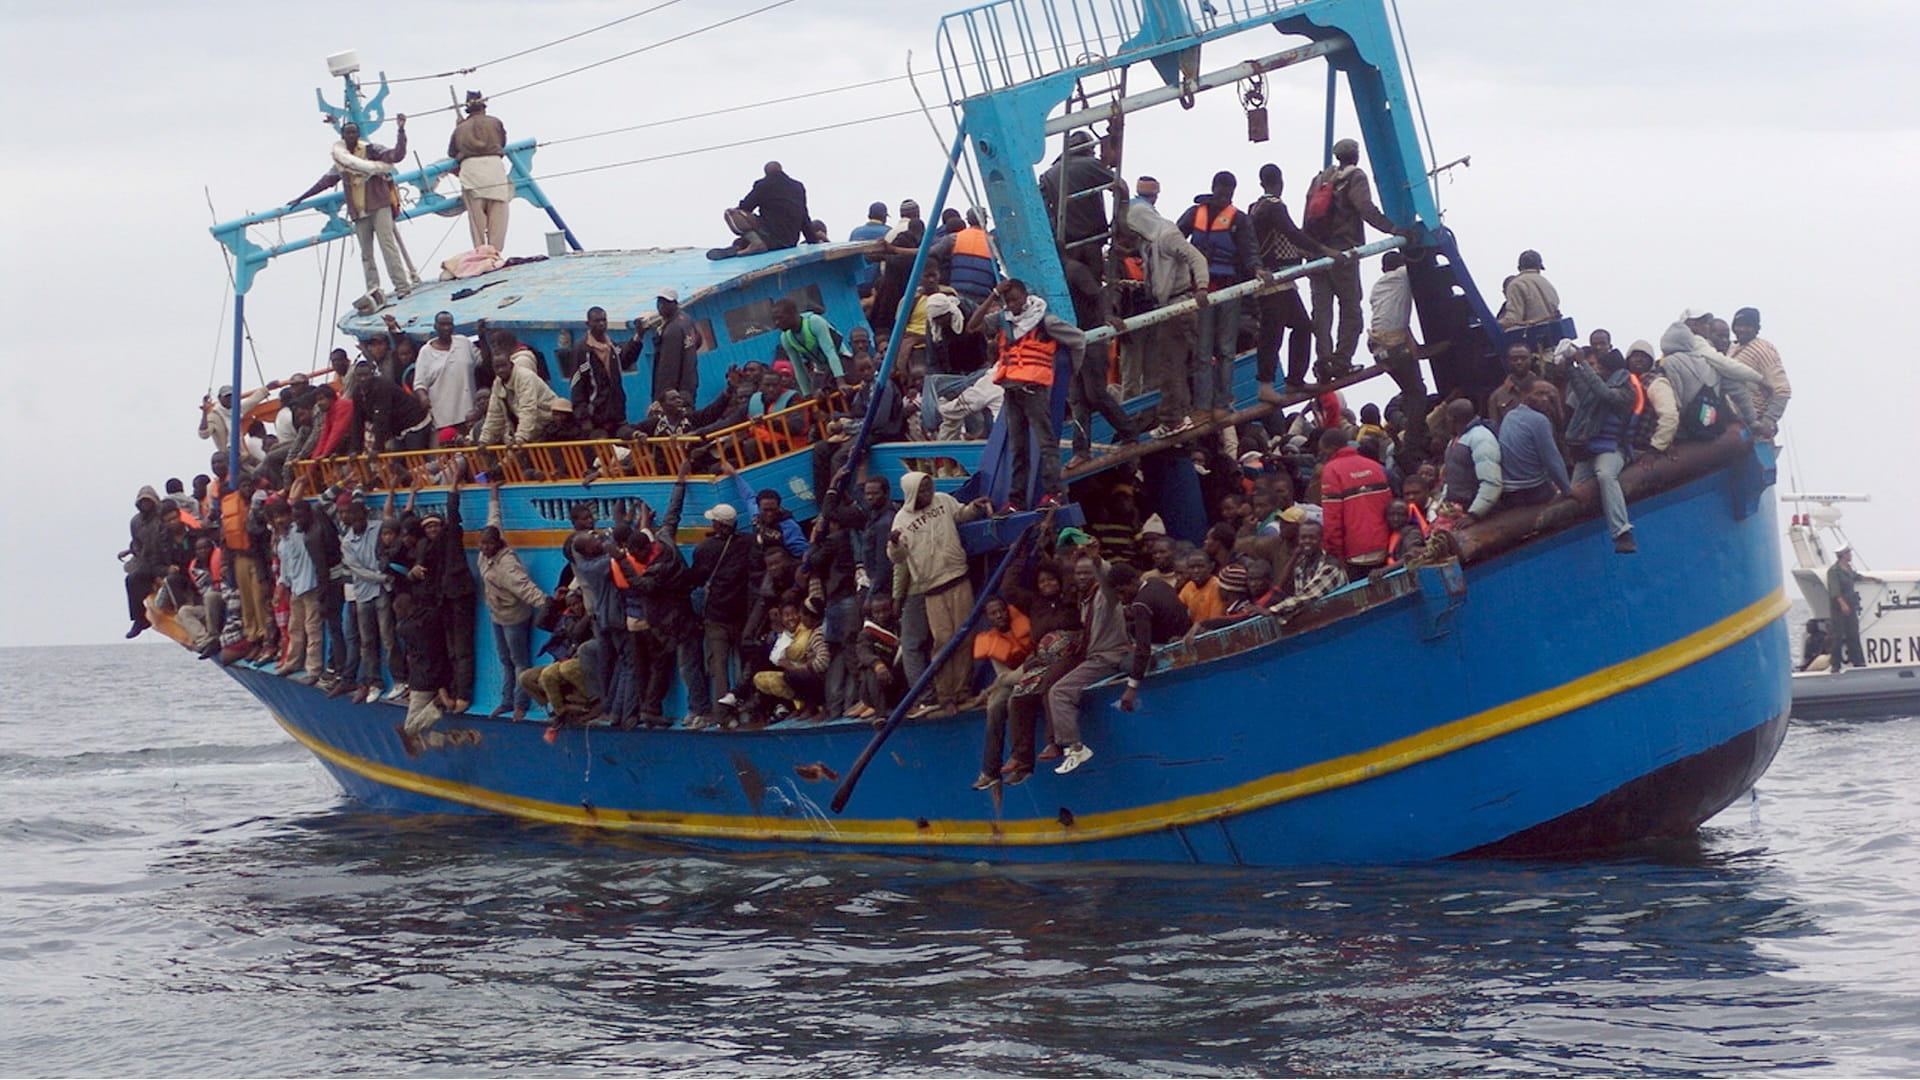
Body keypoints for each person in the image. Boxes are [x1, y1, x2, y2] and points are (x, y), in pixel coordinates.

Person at [969, 278, 1081, 507]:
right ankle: (1015, 500)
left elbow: (1078, 339)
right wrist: (992, 294)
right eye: (1007, 301)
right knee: (1018, 448)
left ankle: (1053, 493)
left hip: (1034, 391)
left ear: (1026, 295)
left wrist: (1072, 372)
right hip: (1011, 390)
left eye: (1016, 299)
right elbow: (973, 325)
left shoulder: (1044, 320)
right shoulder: (1003, 320)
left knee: (1046, 444)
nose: (1012, 305)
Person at [889, 471, 992, 717]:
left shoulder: (944, 500)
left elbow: (961, 514)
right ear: (912, 492)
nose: (928, 493)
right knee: (943, 641)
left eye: (929, 487)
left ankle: (963, 690)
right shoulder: (901, 520)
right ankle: (945, 695)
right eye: (922, 490)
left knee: (965, 636)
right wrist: (894, 543)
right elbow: (897, 557)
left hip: (958, 576)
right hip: (932, 588)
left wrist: (974, 509)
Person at [1302, 137, 1405, 375]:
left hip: (1317, 252)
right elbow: (1365, 208)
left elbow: (1307, 214)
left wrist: (1307, 248)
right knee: (1351, 309)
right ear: (1355, 156)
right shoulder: (1355, 177)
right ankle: (1341, 361)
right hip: (1343, 252)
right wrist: (1393, 229)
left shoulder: (1320, 178)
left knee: (1322, 312)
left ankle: (1323, 362)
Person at [288, 115, 418, 299]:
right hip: (359, 211)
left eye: (354, 132)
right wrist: (301, 197)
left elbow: (396, 155)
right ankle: (374, 290)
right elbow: (325, 181)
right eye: (348, 132)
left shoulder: (372, 150)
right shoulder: (342, 160)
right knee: (366, 253)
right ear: (342, 135)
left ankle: (402, 286)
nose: (351, 135)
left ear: (358, 134)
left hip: (379, 204)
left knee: (388, 246)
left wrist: (401, 131)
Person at [1250, 163, 1342, 402]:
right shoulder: (1273, 206)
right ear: (1280, 181)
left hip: (1282, 279)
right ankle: (1267, 385)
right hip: (1275, 278)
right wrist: (1324, 249)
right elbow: (1291, 233)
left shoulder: (1255, 207)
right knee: (1273, 332)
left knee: (1301, 326)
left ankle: (1294, 381)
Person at [1125, 191, 1211, 439]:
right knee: (1171, 365)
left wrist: (1202, 287)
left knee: (1170, 366)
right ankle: (1179, 414)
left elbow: (1196, 257)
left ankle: (1174, 419)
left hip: (1178, 305)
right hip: (1164, 308)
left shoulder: (1168, 235)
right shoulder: (1148, 242)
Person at [1045, 545, 1133, 776]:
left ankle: (1075, 747)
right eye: (1078, 573)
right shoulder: (1083, 600)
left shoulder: (1105, 597)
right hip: (1094, 657)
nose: (1082, 577)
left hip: (1107, 658)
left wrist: (1097, 561)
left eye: (1087, 573)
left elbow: (1107, 581)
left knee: (1059, 692)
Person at [1177, 170, 1257, 418]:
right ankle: (1202, 406)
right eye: (1222, 190)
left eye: (1229, 192)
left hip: (1229, 290)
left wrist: (1258, 270)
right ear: (1214, 188)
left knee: (1225, 348)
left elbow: (1249, 251)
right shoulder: (1195, 213)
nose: (1225, 196)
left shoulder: (1239, 220)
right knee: (1203, 350)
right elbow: (1174, 239)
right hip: (1201, 290)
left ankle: (1221, 404)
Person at [479, 481, 550, 720]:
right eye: (483, 543)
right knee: (504, 659)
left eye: (489, 544)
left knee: (519, 661)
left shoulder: (507, 566)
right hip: (497, 614)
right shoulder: (486, 553)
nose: (485, 547)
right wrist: (494, 494)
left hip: (514, 618)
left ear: (497, 544)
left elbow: (526, 589)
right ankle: (505, 700)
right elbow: (494, 519)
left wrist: (549, 606)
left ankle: (520, 704)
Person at [1564, 345, 1640, 553]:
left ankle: (1622, 532)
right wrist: (1570, 365)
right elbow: (1582, 387)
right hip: (1589, 450)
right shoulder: (1596, 389)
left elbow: (1605, 394)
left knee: (1606, 475)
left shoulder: (1626, 392)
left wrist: (1584, 364)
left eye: (1601, 367)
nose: (1597, 371)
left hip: (1613, 449)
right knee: (1573, 489)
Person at [971, 595, 1035, 789]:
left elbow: (1039, 655)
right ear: (987, 617)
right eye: (993, 613)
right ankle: (991, 771)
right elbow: (1003, 677)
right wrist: (1024, 669)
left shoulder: (1027, 624)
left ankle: (1022, 764)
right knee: (995, 706)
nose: (999, 615)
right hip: (1017, 676)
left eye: (1001, 610)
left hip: (1039, 673)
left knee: (1014, 702)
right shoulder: (990, 641)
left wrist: (1022, 672)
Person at [1316, 429, 1393, 577]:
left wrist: (1336, 554)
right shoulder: (1374, 466)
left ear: (1331, 449)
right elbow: (1388, 505)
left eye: (1324, 452)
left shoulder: (1331, 471)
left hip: (1355, 553)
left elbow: (1332, 520)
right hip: (1386, 547)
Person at [1495, 379, 1573, 510]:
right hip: (1532, 490)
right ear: (1524, 395)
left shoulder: (1510, 415)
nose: (1545, 399)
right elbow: (1552, 461)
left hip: (1508, 490)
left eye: (1548, 395)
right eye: (1539, 394)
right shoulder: (1539, 421)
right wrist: (1568, 490)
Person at [447, 91, 510, 252]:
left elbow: (452, 152)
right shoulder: (495, 122)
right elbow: (502, 142)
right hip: (494, 170)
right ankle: (495, 253)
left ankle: (481, 253)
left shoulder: (460, 129)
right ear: (483, 108)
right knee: (498, 219)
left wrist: (460, 128)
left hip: (471, 173)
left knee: (477, 223)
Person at [713, 161, 813, 258]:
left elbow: (746, 206)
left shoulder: (764, 184)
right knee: (743, 241)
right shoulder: (798, 186)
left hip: (772, 236)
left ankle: (756, 244)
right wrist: (812, 240)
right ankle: (741, 245)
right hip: (791, 241)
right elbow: (804, 215)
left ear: (766, 173)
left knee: (732, 214)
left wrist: (737, 209)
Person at [476, 334, 559, 446]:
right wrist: (484, 440)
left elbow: (528, 408)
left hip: (550, 425)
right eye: (497, 367)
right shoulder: (498, 382)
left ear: (511, 364)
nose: (501, 370)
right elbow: (494, 414)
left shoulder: (525, 376)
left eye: (503, 366)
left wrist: (521, 437)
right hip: (531, 430)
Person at [413, 311, 482, 444]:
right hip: (443, 417)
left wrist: (482, 335)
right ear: (435, 326)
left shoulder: (464, 342)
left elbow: (482, 361)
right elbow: (419, 384)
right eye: (442, 324)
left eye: (449, 324)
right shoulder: (426, 352)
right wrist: (423, 398)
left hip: (469, 413)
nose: (446, 328)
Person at [1728, 307, 1791, 440]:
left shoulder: (1763, 350)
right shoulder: (1732, 348)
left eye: (1748, 326)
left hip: (1753, 425)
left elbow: (1782, 390)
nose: (1742, 329)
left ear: (1757, 328)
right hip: (1731, 422)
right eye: (1739, 325)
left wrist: (1768, 420)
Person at [1270, 520, 1349, 622]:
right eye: (1303, 537)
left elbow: (1306, 596)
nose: (1307, 541)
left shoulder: (1331, 566)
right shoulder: (1300, 564)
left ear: (1321, 539)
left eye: (1312, 537)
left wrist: (1272, 610)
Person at [567, 307, 628, 437]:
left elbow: (625, 359)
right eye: (597, 321)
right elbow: (577, 385)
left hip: (617, 414)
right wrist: (584, 417)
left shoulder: (611, 346)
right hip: (596, 418)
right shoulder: (582, 350)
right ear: (588, 323)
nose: (601, 324)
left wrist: (638, 339)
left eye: (604, 320)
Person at [1439, 399, 1502, 524]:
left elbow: (1492, 482)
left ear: (1452, 419)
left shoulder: (1481, 437)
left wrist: (1474, 514)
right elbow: (1449, 478)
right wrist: (1443, 502)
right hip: (1457, 510)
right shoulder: (1455, 440)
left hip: (1479, 514)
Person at [772, 299, 848, 397]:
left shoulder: (814, 321)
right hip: (822, 370)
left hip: (842, 361)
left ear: (793, 313)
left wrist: (841, 382)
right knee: (818, 395)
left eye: (780, 318)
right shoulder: (785, 337)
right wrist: (806, 394)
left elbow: (830, 351)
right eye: (774, 319)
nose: (777, 323)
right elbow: (798, 367)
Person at [1826, 547, 1882, 673]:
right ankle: (1835, 664)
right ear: (1843, 555)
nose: (1851, 555)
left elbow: (1857, 577)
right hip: (1838, 609)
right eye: (1848, 553)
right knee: (1838, 635)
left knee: (1853, 633)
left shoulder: (1848, 569)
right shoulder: (1834, 571)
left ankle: (1857, 661)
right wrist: (1842, 604)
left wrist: (1873, 579)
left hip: (1850, 606)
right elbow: (1834, 591)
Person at [642, 289, 700, 406]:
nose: (661, 306)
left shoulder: (672, 330)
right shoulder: (686, 318)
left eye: (665, 303)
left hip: (676, 392)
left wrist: (660, 397)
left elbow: (668, 368)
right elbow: (698, 341)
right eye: (659, 302)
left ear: (675, 303)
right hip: (690, 384)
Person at [1497, 250, 1561, 328]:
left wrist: (1493, 325)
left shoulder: (1516, 284)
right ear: (1539, 267)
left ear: (1519, 268)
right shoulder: (1547, 284)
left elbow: (1513, 318)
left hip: (1532, 336)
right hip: (1552, 333)